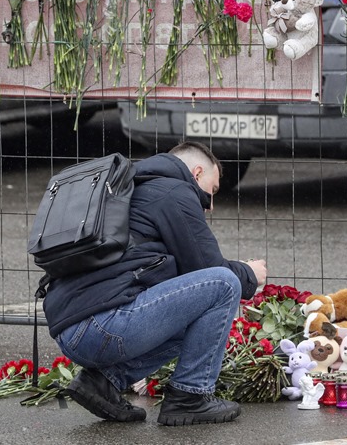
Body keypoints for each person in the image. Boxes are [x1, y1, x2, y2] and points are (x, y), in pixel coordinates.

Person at [43, 141, 268, 425]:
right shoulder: (174, 191)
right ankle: (190, 397)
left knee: (199, 307)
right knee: (224, 283)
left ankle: (101, 383)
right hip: (102, 326)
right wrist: (248, 272)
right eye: (211, 192)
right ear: (197, 173)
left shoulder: (133, 188)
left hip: (73, 331)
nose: (210, 206)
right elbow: (211, 269)